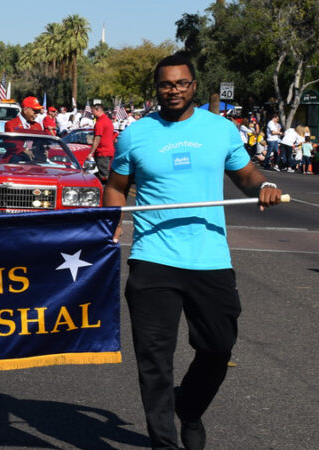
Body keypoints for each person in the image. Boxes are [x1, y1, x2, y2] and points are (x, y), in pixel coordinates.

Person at [104, 53, 282, 450]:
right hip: (153, 258)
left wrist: (264, 186)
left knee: (218, 348)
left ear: (194, 86)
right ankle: (164, 443)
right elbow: (116, 185)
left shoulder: (220, 130)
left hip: (210, 258)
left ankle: (190, 406)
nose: (174, 90)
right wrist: (111, 219)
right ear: (157, 88)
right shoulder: (135, 134)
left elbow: (245, 174)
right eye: (166, 84)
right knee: (154, 361)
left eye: (181, 83)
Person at [88, 103, 116, 183]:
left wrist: (91, 153)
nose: (92, 113)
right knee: (103, 174)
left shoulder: (100, 122)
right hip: (108, 151)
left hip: (102, 152)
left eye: (92, 111)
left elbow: (97, 138)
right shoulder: (108, 120)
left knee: (104, 177)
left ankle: (105, 193)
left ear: (97, 110)